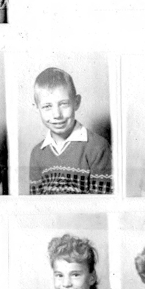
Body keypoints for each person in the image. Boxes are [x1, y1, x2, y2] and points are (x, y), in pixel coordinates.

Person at [28, 67, 112, 195]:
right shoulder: (37, 153)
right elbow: (35, 203)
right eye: (47, 106)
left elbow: (100, 204)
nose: (57, 114)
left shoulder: (98, 147)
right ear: (37, 108)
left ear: (76, 102)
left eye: (63, 104)